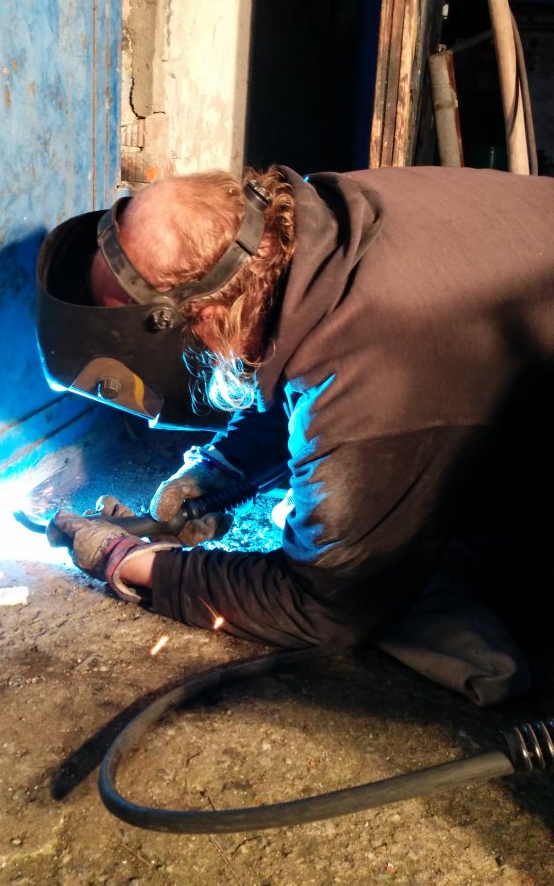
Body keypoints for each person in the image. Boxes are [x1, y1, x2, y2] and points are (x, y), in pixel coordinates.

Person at [40, 165, 554, 705]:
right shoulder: (323, 223)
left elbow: (322, 605)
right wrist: (222, 469)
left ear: (205, 316)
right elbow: (301, 355)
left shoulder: (368, 367)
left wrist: (132, 561)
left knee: (382, 574)